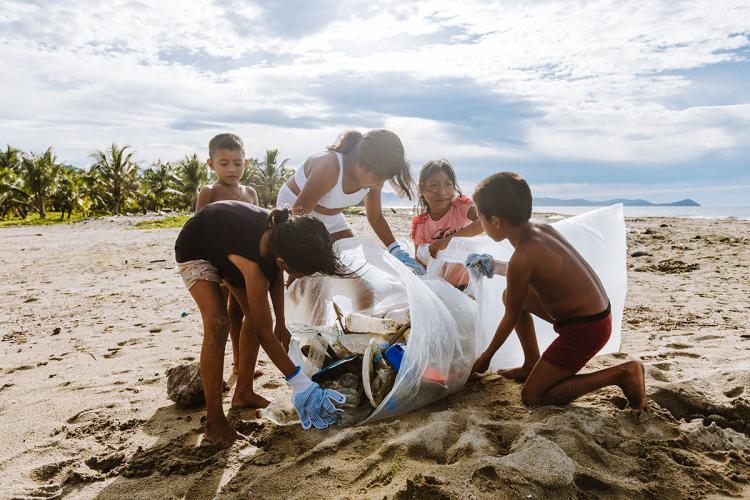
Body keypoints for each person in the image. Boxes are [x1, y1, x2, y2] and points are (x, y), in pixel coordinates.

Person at [466, 172, 646, 410]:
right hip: (596, 313)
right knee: (510, 294)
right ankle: (531, 363)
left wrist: (485, 358)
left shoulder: (523, 256)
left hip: (586, 330)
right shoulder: (540, 229)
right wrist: (495, 266)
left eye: (480, 216)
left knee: (533, 396)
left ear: (496, 222)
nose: (479, 221)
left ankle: (622, 373)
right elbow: (531, 273)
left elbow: (510, 316)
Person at [175, 202, 350, 446]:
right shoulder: (255, 265)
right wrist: (301, 384)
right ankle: (214, 422)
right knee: (218, 322)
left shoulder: (280, 240)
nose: (298, 277)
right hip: (199, 246)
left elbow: (275, 278)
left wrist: (281, 321)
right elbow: (264, 333)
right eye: (299, 273)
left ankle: (244, 393)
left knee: (257, 315)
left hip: (229, 245)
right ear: (283, 261)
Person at [276, 129, 424, 274]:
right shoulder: (329, 166)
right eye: (378, 178)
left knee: (351, 267)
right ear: (361, 162)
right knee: (308, 269)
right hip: (295, 214)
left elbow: (376, 217)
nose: (378, 184)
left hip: (332, 218)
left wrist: (396, 250)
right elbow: (297, 215)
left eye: (383, 180)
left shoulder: (374, 176)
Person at [194, 133, 260, 378]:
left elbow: (256, 229)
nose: (232, 169)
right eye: (224, 163)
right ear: (211, 164)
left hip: (243, 266)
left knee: (239, 314)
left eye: (238, 163)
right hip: (217, 264)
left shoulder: (250, 193)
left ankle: (239, 363)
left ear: (246, 163)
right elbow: (198, 230)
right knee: (218, 319)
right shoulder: (209, 192)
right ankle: (215, 373)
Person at [410, 159, 483, 287]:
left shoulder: (460, 208)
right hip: (441, 286)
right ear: (422, 190)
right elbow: (420, 261)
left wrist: (449, 240)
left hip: (469, 284)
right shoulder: (421, 225)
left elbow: (483, 222)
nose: (442, 192)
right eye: (434, 185)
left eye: (448, 184)